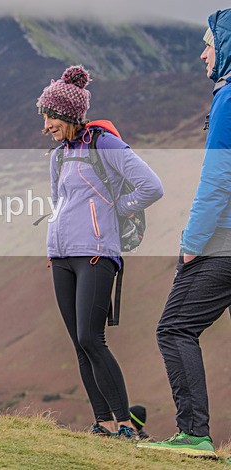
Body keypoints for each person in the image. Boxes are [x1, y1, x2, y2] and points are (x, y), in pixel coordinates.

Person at [38, 67, 163, 439]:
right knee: (79, 344)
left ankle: (125, 424)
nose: (46, 126)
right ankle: (103, 424)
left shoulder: (103, 144)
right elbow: (59, 202)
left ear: (69, 114)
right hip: (61, 255)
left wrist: (116, 208)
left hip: (96, 253)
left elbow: (151, 186)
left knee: (92, 338)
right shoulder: (58, 157)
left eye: (51, 117)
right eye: (44, 117)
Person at [139, 9, 231, 460]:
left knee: (175, 328)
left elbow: (218, 179)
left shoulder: (228, 98)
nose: (203, 54)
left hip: (222, 244)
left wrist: (192, 244)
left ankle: (193, 434)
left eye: (209, 44)